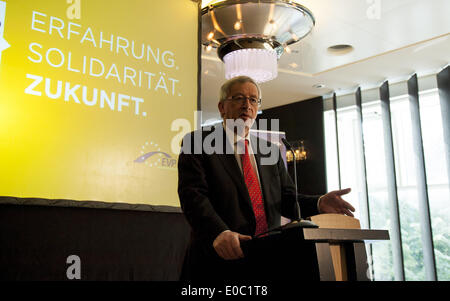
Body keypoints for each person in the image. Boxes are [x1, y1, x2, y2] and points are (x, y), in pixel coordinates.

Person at [177, 76, 355, 280]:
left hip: (267, 258)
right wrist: (218, 232)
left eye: (253, 100)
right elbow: (193, 196)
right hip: (219, 257)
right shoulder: (197, 142)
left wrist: (319, 202)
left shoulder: (269, 150)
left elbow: (287, 199)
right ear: (222, 107)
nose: (247, 105)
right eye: (239, 98)